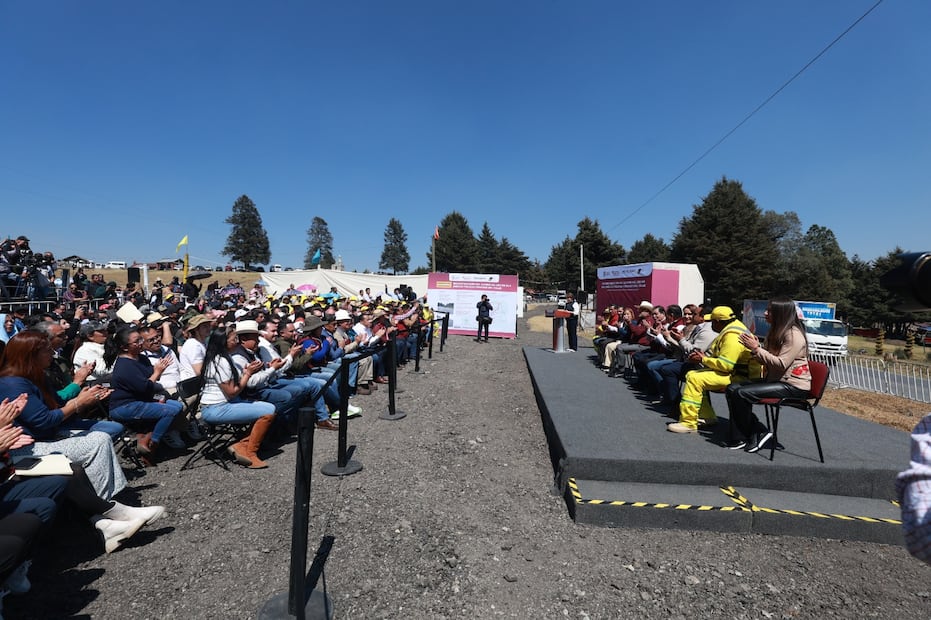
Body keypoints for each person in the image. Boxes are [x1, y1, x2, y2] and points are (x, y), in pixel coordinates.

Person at [724, 298, 812, 452]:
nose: (765, 313)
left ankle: (749, 434)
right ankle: (754, 431)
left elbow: (781, 363)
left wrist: (757, 349)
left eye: (769, 311)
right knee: (732, 388)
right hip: (776, 380)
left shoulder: (793, 335)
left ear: (781, 313)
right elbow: (768, 361)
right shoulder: (776, 331)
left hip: (793, 386)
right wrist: (755, 349)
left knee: (742, 393)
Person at [667, 306, 762, 434]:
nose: (709, 324)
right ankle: (707, 416)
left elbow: (725, 365)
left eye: (711, 321)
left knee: (695, 378)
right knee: (695, 374)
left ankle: (688, 422)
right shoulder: (733, 328)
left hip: (741, 377)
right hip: (734, 373)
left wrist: (703, 359)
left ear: (718, 322)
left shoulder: (732, 337)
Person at [104, 327, 184, 463]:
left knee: (177, 405)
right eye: (137, 341)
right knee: (169, 411)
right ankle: (153, 444)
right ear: (124, 347)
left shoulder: (140, 358)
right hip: (125, 405)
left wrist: (156, 373)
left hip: (141, 399)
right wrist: (157, 372)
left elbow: (149, 381)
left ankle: (145, 439)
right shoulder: (124, 366)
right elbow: (146, 387)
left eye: (141, 339)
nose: (141, 343)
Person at [200, 327, 276, 468]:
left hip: (224, 403)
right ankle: (250, 452)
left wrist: (247, 371)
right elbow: (232, 391)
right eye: (234, 339)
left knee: (267, 407)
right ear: (224, 342)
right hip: (216, 408)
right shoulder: (220, 362)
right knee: (268, 412)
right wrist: (248, 374)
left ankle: (242, 445)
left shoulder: (223, 358)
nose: (237, 342)